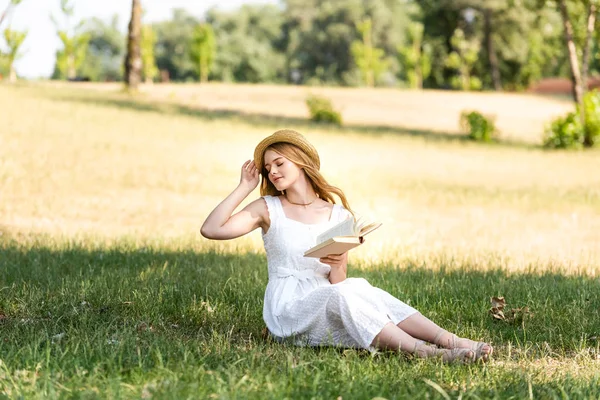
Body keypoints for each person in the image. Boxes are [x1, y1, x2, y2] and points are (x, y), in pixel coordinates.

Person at [200, 129, 492, 363]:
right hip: (288, 308)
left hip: (329, 296)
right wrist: (244, 187)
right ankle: (425, 352)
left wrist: (338, 265)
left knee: (358, 287)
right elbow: (211, 229)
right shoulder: (268, 208)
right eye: (268, 168)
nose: (273, 172)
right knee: (343, 295)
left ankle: (448, 340)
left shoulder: (337, 215)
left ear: (301, 162)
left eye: (280, 163)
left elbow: (337, 281)